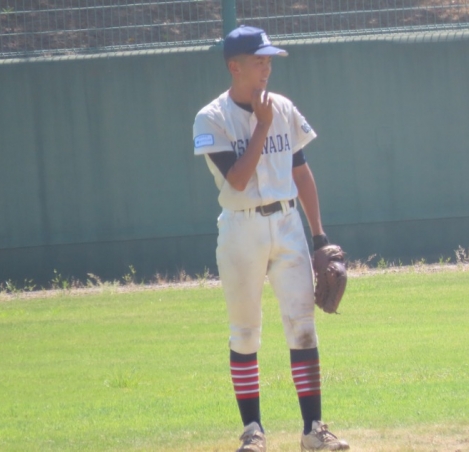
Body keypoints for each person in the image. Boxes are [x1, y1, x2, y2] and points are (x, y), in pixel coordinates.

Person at [192, 25, 350, 452]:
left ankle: (313, 430)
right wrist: (261, 126)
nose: (267, 68)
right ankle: (253, 432)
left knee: (303, 327)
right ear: (235, 66)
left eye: (269, 60)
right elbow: (238, 180)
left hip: (286, 223)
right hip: (241, 227)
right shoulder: (211, 117)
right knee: (245, 333)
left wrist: (319, 236)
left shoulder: (282, 107)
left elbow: (300, 171)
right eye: (259, 60)